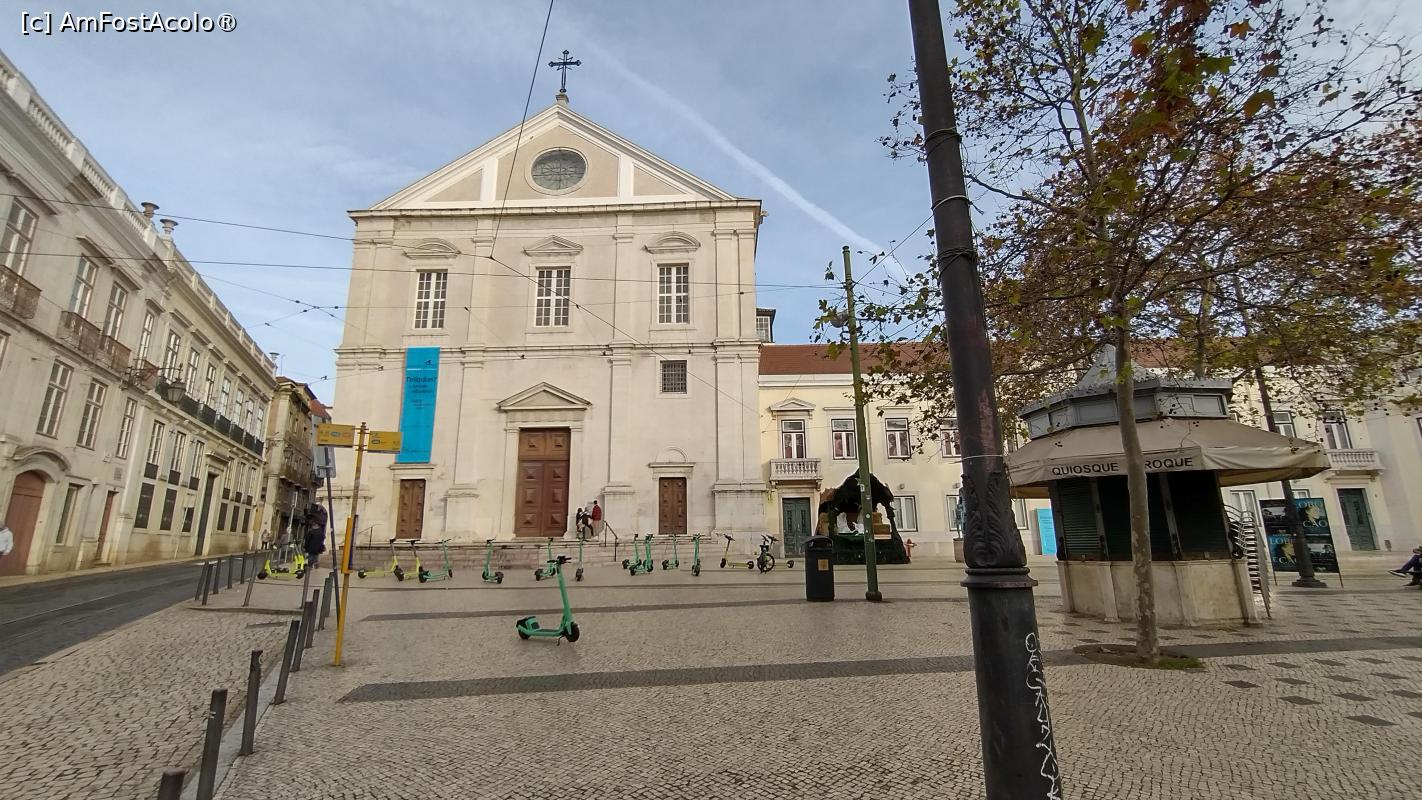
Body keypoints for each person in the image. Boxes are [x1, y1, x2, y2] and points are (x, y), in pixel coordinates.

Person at [303, 502, 328, 569]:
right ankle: (315, 564)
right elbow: (323, 538)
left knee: (311, 557)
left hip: (311, 548)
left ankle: (310, 566)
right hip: (317, 548)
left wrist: (305, 547)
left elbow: (307, 540)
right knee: (315, 556)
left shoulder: (311, 532)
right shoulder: (321, 532)